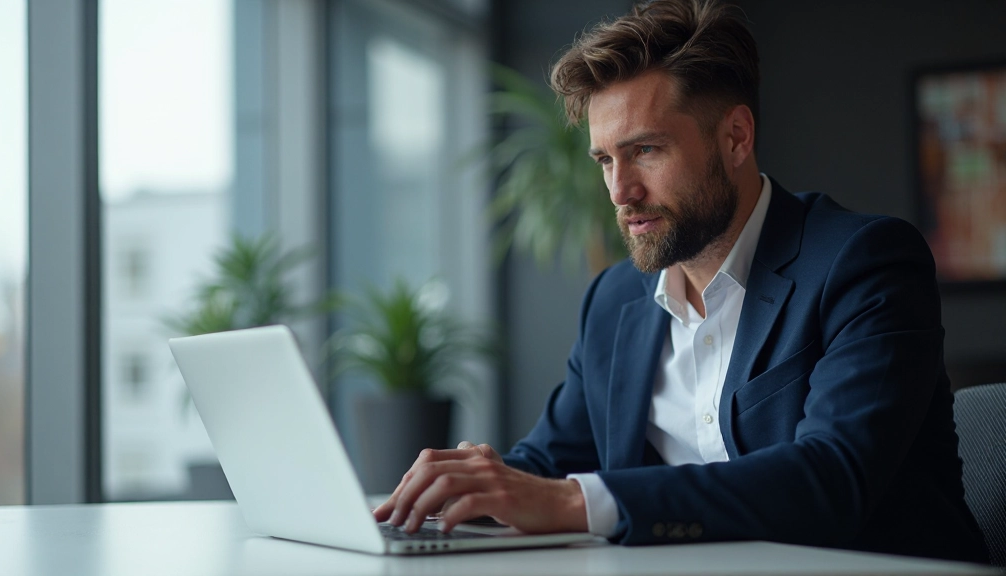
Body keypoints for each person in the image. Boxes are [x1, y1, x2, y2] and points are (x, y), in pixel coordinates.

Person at [373, 0, 989, 563]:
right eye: (605, 159)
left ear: (736, 138)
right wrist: (474, 486)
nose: (620, 191)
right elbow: (550, 462)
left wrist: (568, 501)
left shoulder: (865, 262)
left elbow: (831, 478)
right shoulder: (614, 299)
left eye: (646, 150)